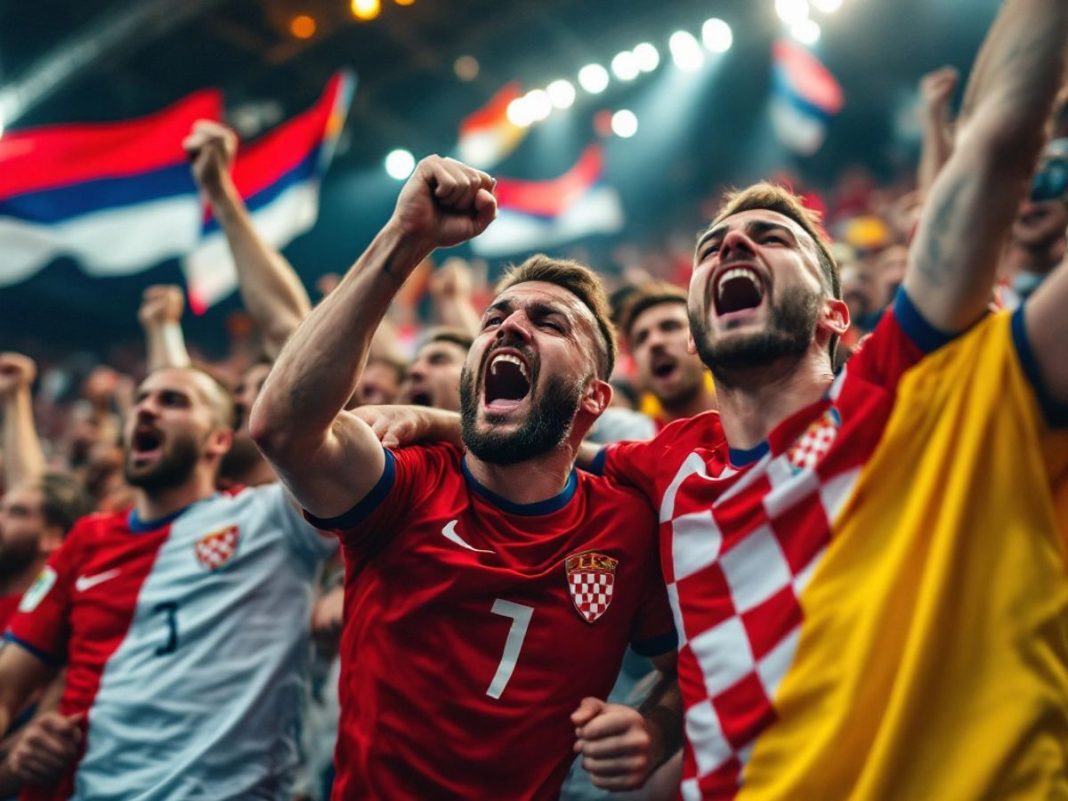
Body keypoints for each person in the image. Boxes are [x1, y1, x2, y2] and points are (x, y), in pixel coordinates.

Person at [586, 3, 1068, 797]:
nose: (733, 243)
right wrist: (424, 420)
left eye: (773, 237)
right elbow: (540, 453)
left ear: (836, 316)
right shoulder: (663, 463)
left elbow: (997, 144)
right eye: (711, 248)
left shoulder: (904, 386)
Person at [250, 155, 680, 800]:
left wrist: (653, 728)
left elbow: (688, 670)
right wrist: (406, 238)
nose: (510, 324)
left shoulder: (627, 521)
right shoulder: (407, 485)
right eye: (495, 318)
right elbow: (284, 429)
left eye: (549, 322)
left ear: (594, 400)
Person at [0, 366, 336, 800]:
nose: (146, 409)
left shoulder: (271, 520)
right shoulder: (87, 539)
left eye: (172, 401)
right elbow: (9, 682)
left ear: (218, 439)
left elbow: (320, 430)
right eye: (141, 398)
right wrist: (21, 753)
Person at [619, 282, 716, 426]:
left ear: (703, 338)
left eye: (670, 327)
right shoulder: (635, 441)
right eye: (641, 338)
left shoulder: (755, 415)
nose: (654, 342)